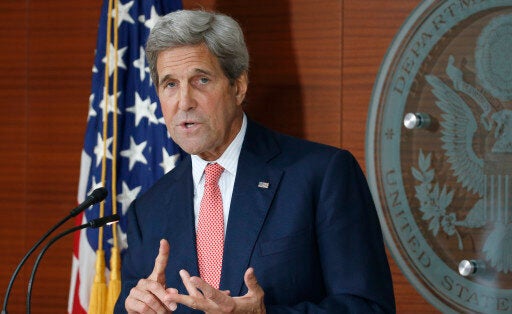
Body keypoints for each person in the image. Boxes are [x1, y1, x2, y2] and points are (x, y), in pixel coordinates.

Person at [114, 9, 395, 313]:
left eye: (201, 80)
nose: (184, 102)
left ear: (238, 86)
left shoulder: (322, 175)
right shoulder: (149, 210)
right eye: (170, 84)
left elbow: (369, 308)